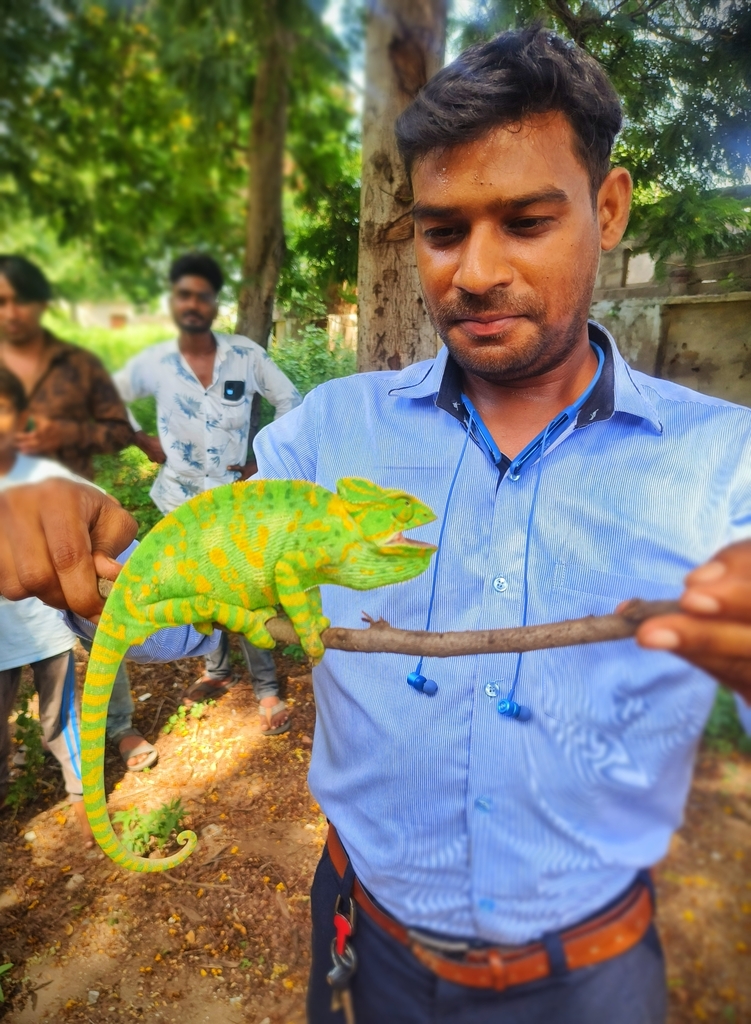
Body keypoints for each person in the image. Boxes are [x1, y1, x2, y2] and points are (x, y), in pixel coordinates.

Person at [3, 27, 751, 1024]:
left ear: (607, 209)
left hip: (593, 974)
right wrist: (84, 550)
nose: (476, 271)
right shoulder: (329, 431)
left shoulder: (724, 461)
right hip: (365, 945)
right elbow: (189, 609)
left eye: (526, 220)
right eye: (443, 231)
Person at [113, 253, 302, 735]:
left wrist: (264, 458)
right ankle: (216, 670)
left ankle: (265, 688)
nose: (194, 303)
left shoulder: (245, 355)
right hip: (178, 502)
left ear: (215, 303)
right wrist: (140, 439)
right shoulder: (155, 361)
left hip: (231, 504)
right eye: (184, 295)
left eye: (203, 295)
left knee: (244, 588)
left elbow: (290, 400)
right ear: (173, 301)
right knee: (196, 589)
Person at [0, 255, 156, 773]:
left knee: (99, 613)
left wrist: (64, 436)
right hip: (11, 525)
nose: (8, 312)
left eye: (16, 299)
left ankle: (121, 726)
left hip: (81, 523)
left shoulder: (76, 366)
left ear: (40, 303)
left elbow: (119, 430)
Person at [0, 367, 94, 846]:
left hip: (47, 628)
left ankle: (82, 799)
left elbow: (92, 522)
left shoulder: (49, 478)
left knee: (61, 721)